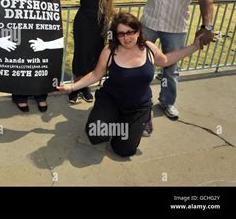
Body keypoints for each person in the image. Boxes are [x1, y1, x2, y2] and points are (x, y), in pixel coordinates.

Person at [57, 12, 204, 157]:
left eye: (130, 32)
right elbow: (96, 74)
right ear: (116, 35)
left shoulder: (148, 47)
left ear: (138, 31)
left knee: (124, 150)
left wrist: (195, 46)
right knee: (96, 136)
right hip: (112, 100)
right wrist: (71, 87)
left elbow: (166, 60)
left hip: (138, 106)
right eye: (121, 34)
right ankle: (116, 120)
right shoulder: (110, 50)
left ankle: (140, 121)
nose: (126, 38)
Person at [128, 0, 214, 123]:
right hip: (148, 24)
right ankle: (136, 100)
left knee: (171, 69)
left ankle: (167, 102)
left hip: (175, 29)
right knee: (139, 63)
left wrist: (207, 26)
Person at [59, 0, 147, 105]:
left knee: (97, 54)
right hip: (85, 20)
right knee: (81, 54)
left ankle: (85, 86)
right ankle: (75, 88)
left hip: (104, 21)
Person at [12, 0, 62, 113]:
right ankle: (20, 95)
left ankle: (41, 94)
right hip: (26, 22)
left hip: (47, 22)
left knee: (43, 59)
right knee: (23, 58)